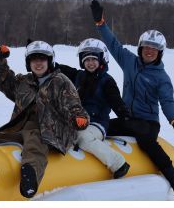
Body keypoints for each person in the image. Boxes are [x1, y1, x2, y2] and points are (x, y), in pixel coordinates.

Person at [89, 0, 174, 197]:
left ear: (160, 53)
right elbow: (113, 44)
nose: (149, 51)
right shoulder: (129, 62)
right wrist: (101, 23)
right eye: (146, 47)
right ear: (140, 48)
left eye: (154, 49)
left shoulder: (162, 77)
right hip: (128, 118)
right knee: (99, 127)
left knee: (146, 141)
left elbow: (167, 100)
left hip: (147, 122)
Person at [0, 40, 90, 198]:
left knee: (35, 140)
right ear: (28, 63)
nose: (38, 63)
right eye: (34, 59)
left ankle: (30, 179)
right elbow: (4, 81)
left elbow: (73, 105)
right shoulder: (24, 82)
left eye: (42, 59)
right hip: (21, 127)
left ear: (49, 61)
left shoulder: (61, 82)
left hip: (52, 131)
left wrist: (79, 118)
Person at [55, 38, 131, 179]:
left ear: (101, 60)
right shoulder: (79, 76)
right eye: (87, 59)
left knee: (82, 137)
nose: (90, 63)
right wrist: (43, 58)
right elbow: (60, 69)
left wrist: (124, 113)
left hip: (97, 123)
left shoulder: (107, 81)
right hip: (78, 120)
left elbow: (115, 100)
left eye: (94, 59)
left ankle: (118, 163)